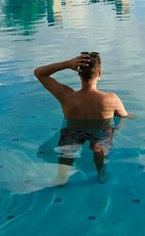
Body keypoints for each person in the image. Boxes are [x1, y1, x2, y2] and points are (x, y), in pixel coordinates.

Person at [34, 52, 130, 183]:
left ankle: (61, 177)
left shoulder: (67, 97)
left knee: (68, 149)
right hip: (101, 131)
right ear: (99, 73)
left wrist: (67, 64)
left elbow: (39, 73)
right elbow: (124, 117)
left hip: (73, 131)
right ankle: (101, 174)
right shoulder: (111, 99)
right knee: (99, 147)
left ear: (78, 73)